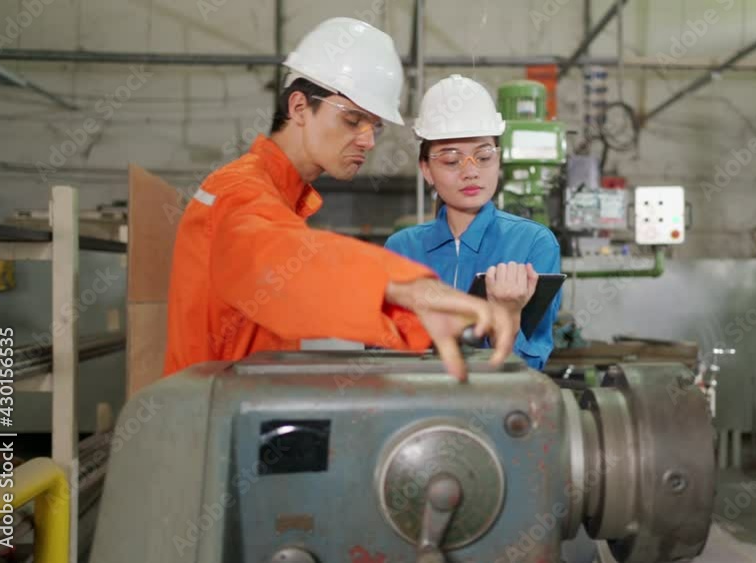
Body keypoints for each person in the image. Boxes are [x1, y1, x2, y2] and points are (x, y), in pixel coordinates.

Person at [163, 19, 516, 381]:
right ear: (299, 108)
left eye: (374, 126)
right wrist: (407, 286)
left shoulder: (278, 196)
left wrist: (418, 318)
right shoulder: (238, 191)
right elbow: (274, 258)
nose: (369, 141)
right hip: (211, 423)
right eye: (352, 120)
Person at [385, 75, 562, 370]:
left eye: (483, 157)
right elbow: (383, 356)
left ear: (499, 160)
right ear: (426, 169)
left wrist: (507, 316)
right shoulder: (402, 248)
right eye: (452, 161)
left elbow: (530, 371)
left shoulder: (533, 243)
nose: (470, 173)